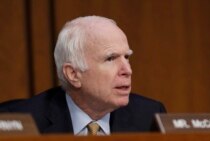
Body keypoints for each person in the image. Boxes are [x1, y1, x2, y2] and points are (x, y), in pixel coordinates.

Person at [0, 16, 166, 135]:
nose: (127, 70)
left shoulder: (149, 116)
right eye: (110, 58)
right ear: (73, 74)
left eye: (127, 57)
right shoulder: (18, 122)